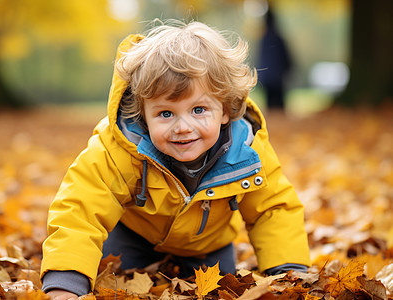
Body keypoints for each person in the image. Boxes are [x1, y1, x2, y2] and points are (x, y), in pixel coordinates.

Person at [40, 20, 310, 299]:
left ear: (226, 109)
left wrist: (287, 273)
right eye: (166, 113)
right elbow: (80, 207)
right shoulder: (119, 148)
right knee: (112, 280)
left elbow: (273, 209)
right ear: (142, 115)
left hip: (208, 246)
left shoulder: (248, 151)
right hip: (134, 237)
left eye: (199, 109)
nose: (183, 127)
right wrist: (65, 282)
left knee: (219, 290)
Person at [258, 9, 292, 109]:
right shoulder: (278, 38)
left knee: (271, 105)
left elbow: (261, 59)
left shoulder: (264, 39)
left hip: (268, 77)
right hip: (278, 77)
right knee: (279, 104)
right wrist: (288, 68)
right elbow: (286, 57)